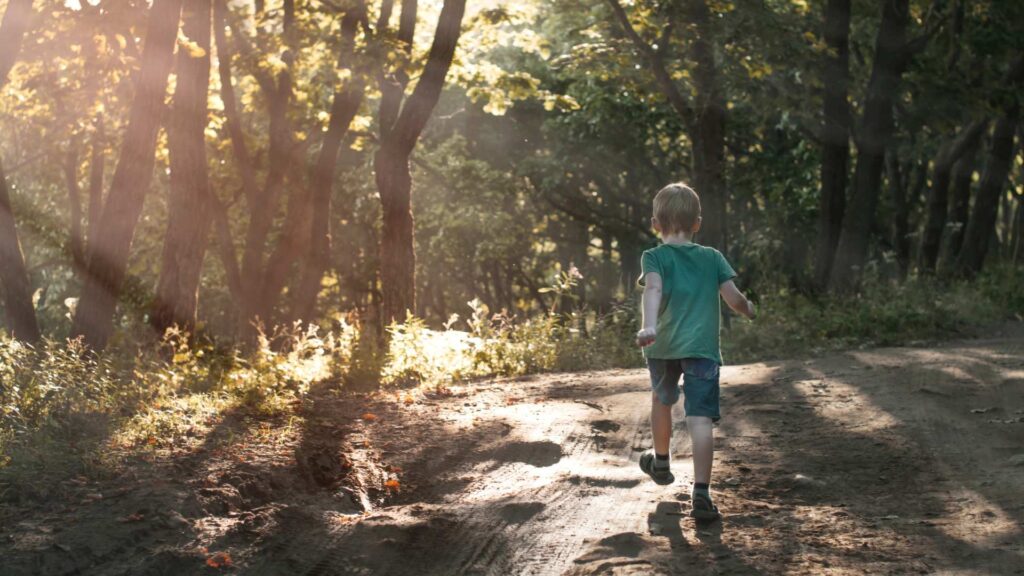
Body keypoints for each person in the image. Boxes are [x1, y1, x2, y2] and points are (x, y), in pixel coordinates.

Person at [635, 182, 755, 520]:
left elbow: (653, 289)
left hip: (663, 347)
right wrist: (749, 309)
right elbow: (734, 298)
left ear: (655, 223)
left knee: (662, 399)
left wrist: (651, 326)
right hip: (702, 350)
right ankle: (701, 493)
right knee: (700, 420)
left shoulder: (653, 256)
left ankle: (660, 462)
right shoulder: (712, 257)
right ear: (697, 223)